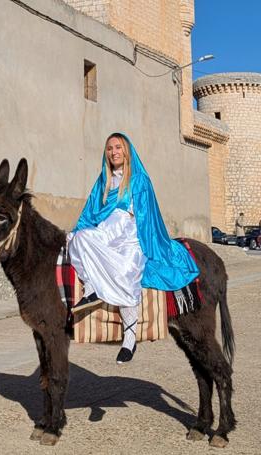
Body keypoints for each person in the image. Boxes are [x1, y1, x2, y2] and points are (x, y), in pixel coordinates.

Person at [68, 133, 199, 364]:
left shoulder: (139, 180)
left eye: (118, 147)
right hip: (105, 235)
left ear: (126, 151)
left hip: (131, 237)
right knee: (78, 239)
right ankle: (91, 287)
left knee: (126, 272)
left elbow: (148, 215)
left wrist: (138, 232)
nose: (114, 152)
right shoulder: (103, 182)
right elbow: (90, 213)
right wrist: (77, 232)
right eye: (109, 148)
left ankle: (129, 337)